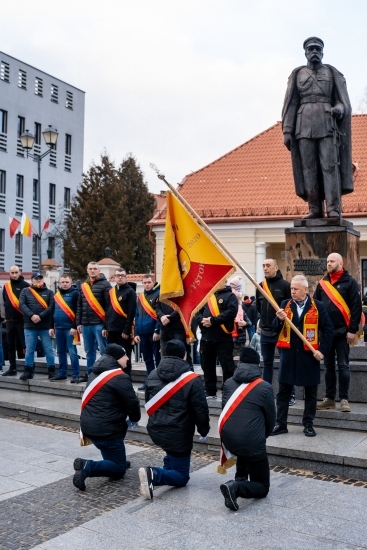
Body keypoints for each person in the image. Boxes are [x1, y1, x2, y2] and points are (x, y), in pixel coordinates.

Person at [282, 37, 353, 219]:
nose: (314, 52)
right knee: (309, 168)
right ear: (305, 52)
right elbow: (291, 103)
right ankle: (314, 209)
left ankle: (333, 208)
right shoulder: (298, 74)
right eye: (311, 49)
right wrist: (287, 130)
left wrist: (339, 108)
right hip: (303, 125)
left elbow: (342, 101)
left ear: (322, 52)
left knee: (330, 167)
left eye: (318, 49)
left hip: (327, 123)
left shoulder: (331, 72)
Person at [139, 339, 209, 499]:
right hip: (179, 433)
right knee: (182, 477)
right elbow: (200, 410)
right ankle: (154, 475)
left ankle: (166, 469)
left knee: (171, 452)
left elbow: (148, 402)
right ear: (184, 355)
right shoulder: (192, 379)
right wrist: (204, 429)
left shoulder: (153, 374)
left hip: (157, 428)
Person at [270, 275, 334, 437]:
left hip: (308, 356)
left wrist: (323, 351)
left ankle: (308, 424)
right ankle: (281, 423)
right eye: (291, 288)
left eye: (296, 289)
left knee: (311, 393)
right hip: (289, 356)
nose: (292, 292)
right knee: (283, 391)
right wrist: (278, 319)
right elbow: (274, 329)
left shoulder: (317, 306)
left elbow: (328, 330)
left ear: (306, 290)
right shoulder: (285, 305)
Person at [73, 344, 141, 491]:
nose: (128, 358)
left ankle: (115, 461)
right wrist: (135, 419)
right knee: (119, 470)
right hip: (106, 430)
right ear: (117, 358)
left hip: (89, 426)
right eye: (125, 355)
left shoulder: (95, 372)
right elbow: (132, 403)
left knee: (113, 455)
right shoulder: (119, 377)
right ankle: (87, 466)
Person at [219, 347, 275, 511]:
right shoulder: (264, 387)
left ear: (240, 363)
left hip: (229, 439)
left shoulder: (228, 383)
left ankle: (240, 476)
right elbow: (271, 419)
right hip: (250, 441)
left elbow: (226, 412)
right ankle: (236, 488)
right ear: (258, 365)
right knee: (263, 487)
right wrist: (261, 437)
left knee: (243, 435)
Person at [314, 253, 362, 412]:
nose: (328, 263)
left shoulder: (350, 283)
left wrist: (352, 330)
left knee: (343, 366)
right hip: (326, 333)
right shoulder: (322, 284)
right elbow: (315, 306)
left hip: (343, 333)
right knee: (328, 366)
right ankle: (329, 399)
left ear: (340, 263)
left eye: (332, 261)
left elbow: (356, 308)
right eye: (327, 261)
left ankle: (344, 399)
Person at [255, 258, 293, 399]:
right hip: (265, 331)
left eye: (268, 265)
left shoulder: (285, 286)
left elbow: (290, 307)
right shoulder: (260, 286)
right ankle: (266, 393)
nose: (265, 268)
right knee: (267, 363)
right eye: (263, 265)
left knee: (285, 363)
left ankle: (290, 394)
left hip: (281, 331)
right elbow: (258, 307)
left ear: (276, 267)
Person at [195, 283, 238, 399]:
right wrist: (201, 320)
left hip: (223, 338)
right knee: (207, 365)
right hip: (206, 337)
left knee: (227, 366)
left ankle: (228, 390)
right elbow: (197, 311)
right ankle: (210, 391)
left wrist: (213, 321)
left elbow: (231, 312)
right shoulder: (206, 296)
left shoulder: (230, 296)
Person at [76, 262, 111, 381]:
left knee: (103, 350)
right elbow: (79, 305)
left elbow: (109, 307)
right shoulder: (83, 286)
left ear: (99, 270)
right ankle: (90, 373)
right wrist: (78, 323)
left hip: (99, 324)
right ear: (87, 270)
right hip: (85, 324)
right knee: (88, 351)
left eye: (95, 269)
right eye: (90, 269)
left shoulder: (106, 285)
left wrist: (106, 325)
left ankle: (105, 374)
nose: (92, 271)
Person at [19, 272, 55, 381]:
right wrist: (32, 315)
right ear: (32, 280)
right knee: (29, 349)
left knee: (48, 349)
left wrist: (40, 316)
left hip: (44, 325)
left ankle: (51, 371)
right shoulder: (25, 291)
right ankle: (28, 371)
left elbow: (51, 307)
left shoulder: (49, 292)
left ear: (43, 280)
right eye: (36, 279)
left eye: (40, 278)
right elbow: (22, 305)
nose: (38, 280)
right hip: (30, 325)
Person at [103, 268, 136, 376]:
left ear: (126, 277)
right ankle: (114, 378)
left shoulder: (130, 291)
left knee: (125, 356)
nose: (120, 277)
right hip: (111, 330)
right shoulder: (112, 292)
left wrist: (126, 330)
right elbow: (107, 310)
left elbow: (131, 313)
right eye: (118, 275)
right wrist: (105, 327)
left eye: (122, 275)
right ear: (115, 277)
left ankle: (126, 378)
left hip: (123, 331)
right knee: (112, 357)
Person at [49, 275, 80, 382]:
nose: (64, 284)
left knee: (72, 352)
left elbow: (78, 311)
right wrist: (51, 327)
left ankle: (75, 374)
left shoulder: (75, 293)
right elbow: (52, 311)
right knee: (60, 352)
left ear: (71, 282)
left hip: (69, 329)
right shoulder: (56, 295)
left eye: (67, 282)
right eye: (62, 282)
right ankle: (62, 373)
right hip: (58, 328)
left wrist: (74, 326)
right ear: (60, 283)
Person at [134, 274, 161, 391]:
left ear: (153, 282)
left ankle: (159, 382)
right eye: (144, 283)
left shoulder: (158, 295)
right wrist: (136, 333)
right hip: (142, 333)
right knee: (148, 360)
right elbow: (136, 316)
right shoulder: (140, 297)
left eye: (149, 282)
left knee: (158, 359)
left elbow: (160, 315)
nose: (147, 285)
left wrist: (157, 330)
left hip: (153, 333)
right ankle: (149, 382)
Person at [2, 266, 29, 376]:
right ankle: (12, 368)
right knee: (10, 345)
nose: (14, 275)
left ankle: (28, 368)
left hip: (22, 320)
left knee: (25, 345)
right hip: (9, 321)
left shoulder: (26, 286)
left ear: (20, 272)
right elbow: (5, 301)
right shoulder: (6, 286)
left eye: (16, 272)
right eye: (12, 272)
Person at [155, 299, 192, 366]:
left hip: (178, 328)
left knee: (181, 357)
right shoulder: (162, 290)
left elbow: (184, 305)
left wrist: (170, 318)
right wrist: (161, 316)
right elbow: (157, 306)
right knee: (165, 357)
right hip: (164, 329)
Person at [229, 276, 251, 357]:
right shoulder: (228, 311)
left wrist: (244, 323)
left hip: (240, 340)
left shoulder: (241, 310)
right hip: (229, 340)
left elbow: (249, 323)